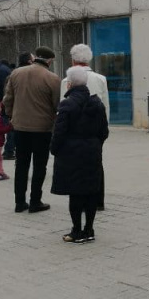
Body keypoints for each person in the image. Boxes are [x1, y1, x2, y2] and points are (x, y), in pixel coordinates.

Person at [51, 67, 109, 242]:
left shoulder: (67, 104)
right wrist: (95, 144)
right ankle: (89, 229)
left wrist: (54, 149)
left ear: (69, 83)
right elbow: (104, 131)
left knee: (75, 193)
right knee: (91, 192)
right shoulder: (97, 104)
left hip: (71, 154)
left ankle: (76, 231)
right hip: (92, 152)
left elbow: (59, 132)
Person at [3, 46, 61, 213]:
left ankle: (19, 202)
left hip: (20, 126)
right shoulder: (52, 78)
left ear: (36, 57)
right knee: (39, 165)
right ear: (49, 60)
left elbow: (8, 99)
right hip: (42, 128)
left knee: (21, 164)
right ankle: (35, 201)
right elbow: (57, 104)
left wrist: (11, 116)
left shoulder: (16, 73)